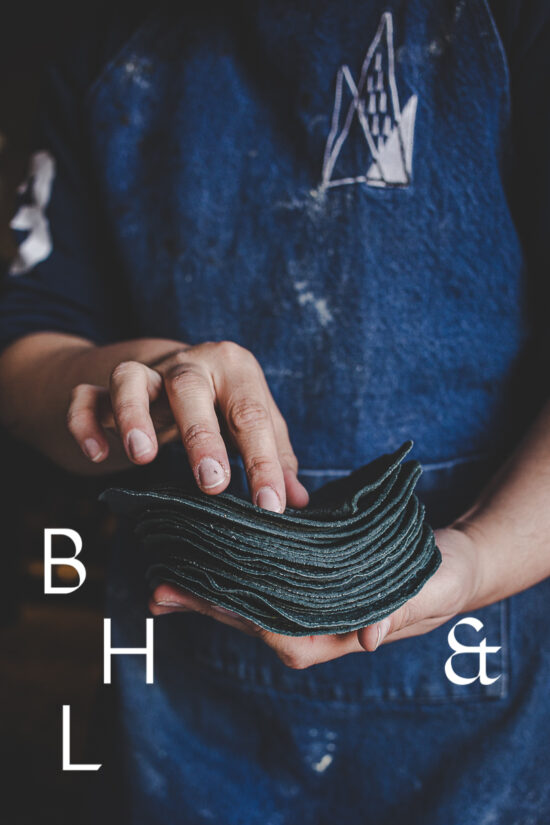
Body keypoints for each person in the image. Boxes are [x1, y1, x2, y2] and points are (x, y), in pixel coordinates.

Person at [1, 1, 549, 822]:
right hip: (190, 694)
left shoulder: (512, 23)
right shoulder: (96, 38)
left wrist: (471, 558)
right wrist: (134, 379)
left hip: (482, 673)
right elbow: (24, 341)